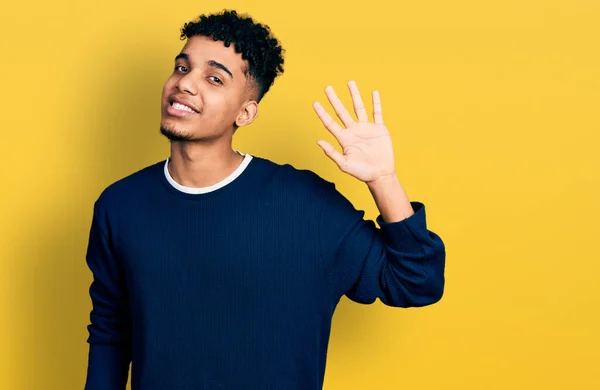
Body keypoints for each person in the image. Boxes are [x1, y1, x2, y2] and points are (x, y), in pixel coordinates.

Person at [84, 9, 446, 390]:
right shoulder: (119, 206)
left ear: (245, 112)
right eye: (181, 67)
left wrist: (383, 180)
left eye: (213, 78)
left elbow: (416, 282)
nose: (186, 84)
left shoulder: (307, 205)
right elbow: (111, 332)